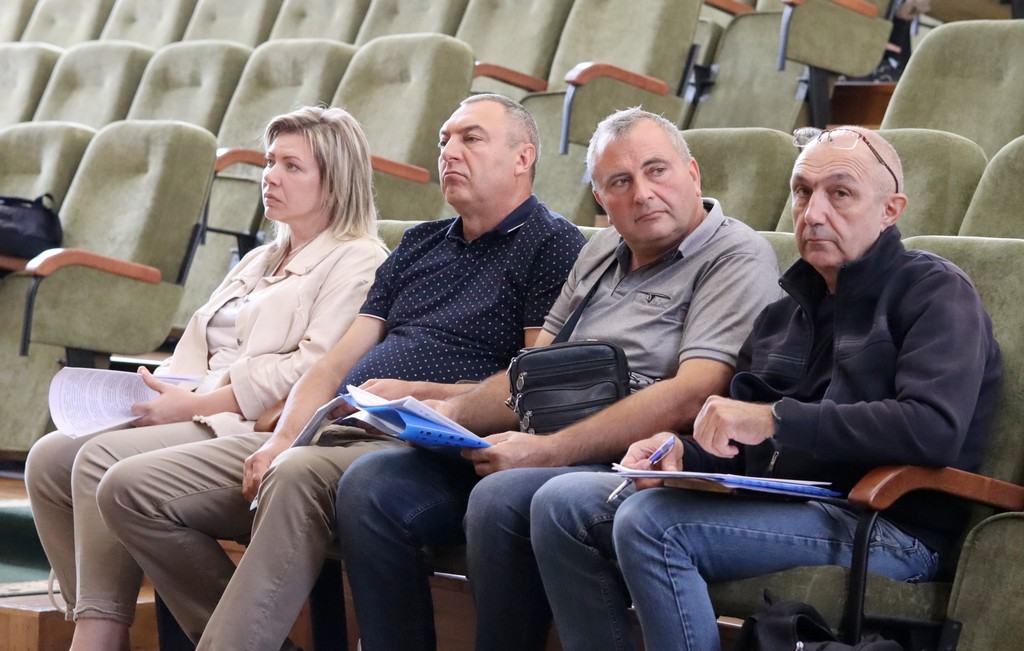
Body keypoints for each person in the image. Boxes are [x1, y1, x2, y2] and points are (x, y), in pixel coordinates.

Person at [97, 93, 586, 650]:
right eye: (444, 140)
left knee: (295, 472)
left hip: (423, 445)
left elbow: (530, 383)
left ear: (523, 157)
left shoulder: (551, 243)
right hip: (336, 425)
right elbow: (335, 363)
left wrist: (414, 392)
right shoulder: (421, 242)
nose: (450, 151)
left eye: (470, 138)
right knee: (128, 489)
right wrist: (281, 437)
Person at [530, 126, 1003, 651]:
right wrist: (682, 453)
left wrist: (776, 419)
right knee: (561, 507)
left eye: (840, 193)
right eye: (802, 192)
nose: (814, 213)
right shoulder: (782, 316)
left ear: (890, 210)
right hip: (791, 503)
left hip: (888, 525)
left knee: (652, 524)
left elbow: (932, 429)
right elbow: (747, 447)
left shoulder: (935, 291)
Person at [335, 107, 782, 651]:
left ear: (692, 173)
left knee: (500, 496)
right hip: (544, 438)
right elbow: (531, 372)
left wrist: (546, 451)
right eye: (620, 182)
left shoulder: (735, 254)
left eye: (657, 171)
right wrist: (445, 416)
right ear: (601, 198)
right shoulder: (599, 251)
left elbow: (694, 393)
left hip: (631, 456)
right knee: (371, 487)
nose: (643, 194)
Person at [24, 105, 389, 651]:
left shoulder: (358, 259)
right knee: (49, 458)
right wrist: (155, 391)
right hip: (196, 405)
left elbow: (312, 368)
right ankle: (93, 614)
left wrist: (193, 405)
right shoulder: (260, 258)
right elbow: (196, 349)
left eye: (292, 166)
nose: (270, 176)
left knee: (98, 460)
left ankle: (100, 633)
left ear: (334, 184)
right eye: (269, 162)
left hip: (252, 422)